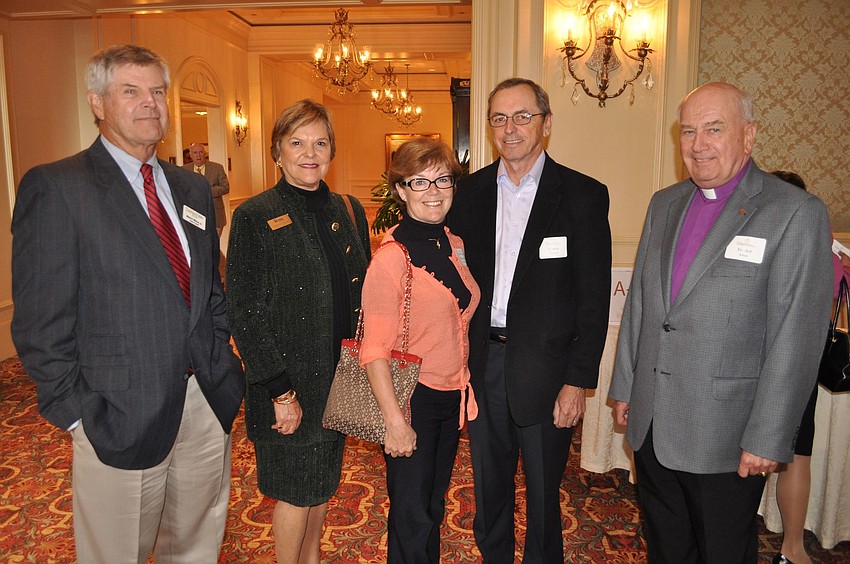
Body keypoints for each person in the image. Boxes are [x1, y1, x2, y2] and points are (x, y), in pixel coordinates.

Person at [10, 44, 245, 562]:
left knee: (197, 547)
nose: (149, 104)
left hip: (204, 401)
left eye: (157, 92)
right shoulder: (58, 187)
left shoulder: (191, 189)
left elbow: (209, 291)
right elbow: (40, 323)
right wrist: (77, 415)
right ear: (97, 103)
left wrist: (221, 360)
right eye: (130, 91)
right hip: (116, 411)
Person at [608, 82, 834, 564]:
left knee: (723, 553)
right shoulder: (664, 204)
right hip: (653, 424)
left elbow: (797, 338)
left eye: (714, 129)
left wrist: (769, 435)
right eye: (688, 131)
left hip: (728, 435)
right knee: (666, 548)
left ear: (748, 136)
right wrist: (626, 387)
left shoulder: (794, 212)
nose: (697, 144)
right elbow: (643, 309)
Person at [447, 77, 612, 562]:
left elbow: (593, 300)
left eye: (523, 116)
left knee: (543, 495)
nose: (510, 128)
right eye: (499, 118)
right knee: (489, 490)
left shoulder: (582, 195)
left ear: (546, 124)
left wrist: (576, 382)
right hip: (482, 369)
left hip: (547, 374)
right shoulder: (469, 192)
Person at [225, 98, 371, 564]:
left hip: (339, 381)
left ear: (332, 151)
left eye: (320, 142)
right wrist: (279, 391)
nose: (310, 153)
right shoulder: (254, 216)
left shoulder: (348, 210)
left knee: (322, 486)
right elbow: (244, 312)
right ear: (277, 152)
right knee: (293, 492)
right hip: (289, 388)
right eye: (297, 142)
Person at [360, 138, 481, 563]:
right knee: (412, 516)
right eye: (420, 181)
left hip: (451, 396)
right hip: (410, 400)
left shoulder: (455, 243)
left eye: (442, 179)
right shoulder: (391, 259)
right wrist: (395, 421)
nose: (433, 190)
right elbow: (373, 349)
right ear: (400, 190)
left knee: (431, 508)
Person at [769, 170, 846, 564]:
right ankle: (792, 549)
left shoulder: (773, 231)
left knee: (784, 454)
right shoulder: (827, 243)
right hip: (803, 363)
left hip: (776, 362)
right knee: (795, 455)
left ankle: (790, 546)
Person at [183, 142, 230, 235]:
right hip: (193, 216)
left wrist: (206, 191)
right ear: (191, 155)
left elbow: (225, 187)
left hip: (215, 215)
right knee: (198, 246)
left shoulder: (217, 168)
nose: (198, 155)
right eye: (195, 153)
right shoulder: (184, 170)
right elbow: (181, 190)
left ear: (205, 154)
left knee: (214, 245)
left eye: (201, 152)